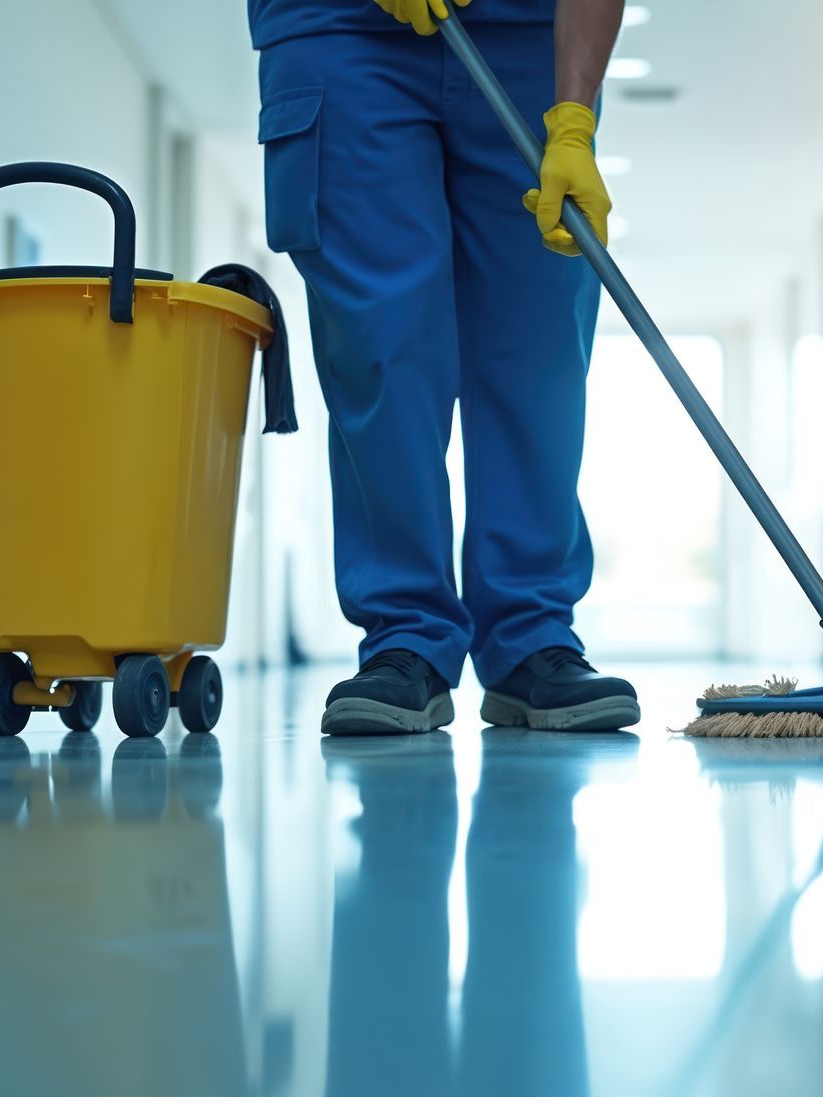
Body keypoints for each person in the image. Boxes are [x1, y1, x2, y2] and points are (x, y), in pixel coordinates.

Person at [247, 0, 641, 733]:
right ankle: (405, 635)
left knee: (538, 343)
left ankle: (532, 636)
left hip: (531, 39)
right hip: (340, 31)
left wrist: (574, 121)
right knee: (382, 341)